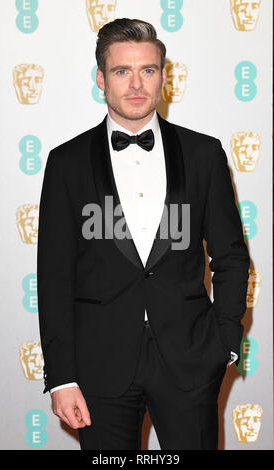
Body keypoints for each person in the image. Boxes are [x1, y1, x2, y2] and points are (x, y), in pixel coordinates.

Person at [37, 18, 250, 450]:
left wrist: (225, 343)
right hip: (99, 366)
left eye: (148, 70)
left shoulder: (203, 154)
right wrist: (62, 376)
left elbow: (230, 257)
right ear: (101, 78)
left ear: (164, 77)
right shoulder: (67, 163)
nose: (136, 84)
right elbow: (55, 277)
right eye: (121, 71)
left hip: (191, 361)